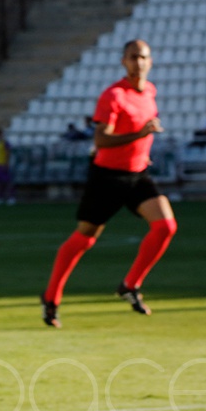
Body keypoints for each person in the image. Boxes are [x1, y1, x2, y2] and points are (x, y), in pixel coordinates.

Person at [40, 40, 177, 329]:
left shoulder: (149, 91)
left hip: (137, 174)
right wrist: (140, 135)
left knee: (166, 226)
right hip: (108, 176)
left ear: (150, 61)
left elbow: (143, 131)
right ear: (123, 61)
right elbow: (101, 140)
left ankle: (130, 285)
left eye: (143, 57)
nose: (138, 62)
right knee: (85, 238)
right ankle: (51, 297)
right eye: (132, 57)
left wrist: (142, 147)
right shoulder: (113, 95)